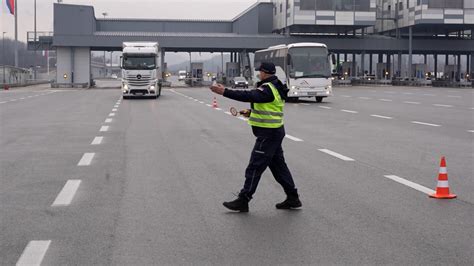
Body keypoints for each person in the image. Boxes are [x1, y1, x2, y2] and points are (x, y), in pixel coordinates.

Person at [210, 62, 302, 212]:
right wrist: (251, 112)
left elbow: (248, 95)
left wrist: (224, 92)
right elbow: (268, 107)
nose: (259, 74)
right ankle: (293, 197)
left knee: (254, 167)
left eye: (260, 71)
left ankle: (243, 199)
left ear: (265, 72)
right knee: (279, 168)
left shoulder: (268, 88)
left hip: (268, 134)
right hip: (274, 132)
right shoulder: (276, 85)